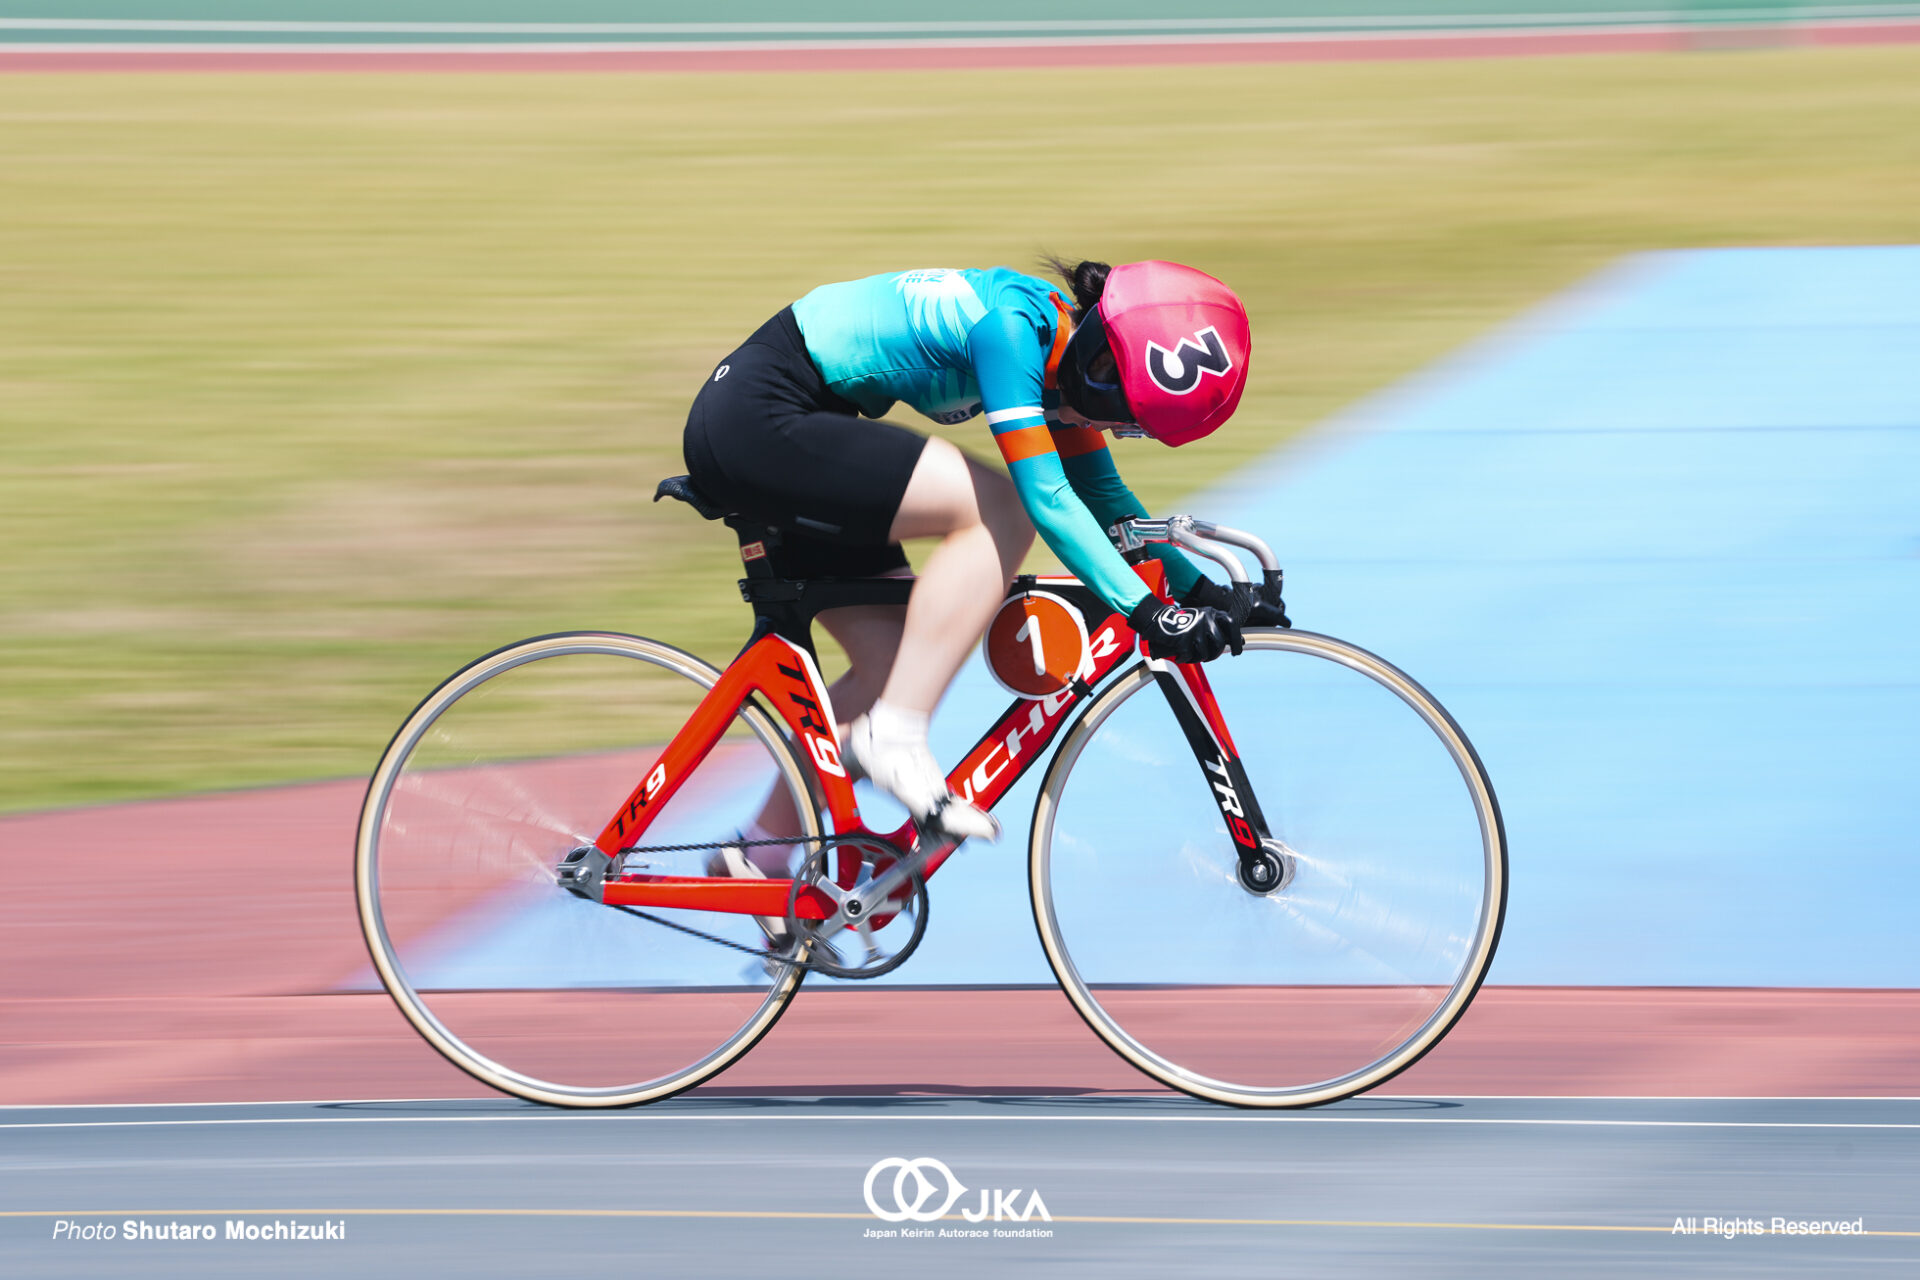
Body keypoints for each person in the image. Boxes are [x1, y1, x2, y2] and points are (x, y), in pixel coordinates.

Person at [681, 258, 1281, 891]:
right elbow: (1047, 497)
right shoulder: (1016, 331)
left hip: (792, 419)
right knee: (999, 508)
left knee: (893, 662)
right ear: (1101, 348)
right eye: (1114, 392)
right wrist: (1144, 610)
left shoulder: (1060, 356)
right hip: (760, 414)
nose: (1106, 414)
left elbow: (1105, 499)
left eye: (1128, 419)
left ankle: (758, 854)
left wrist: (1200, 591)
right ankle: (896, 737)